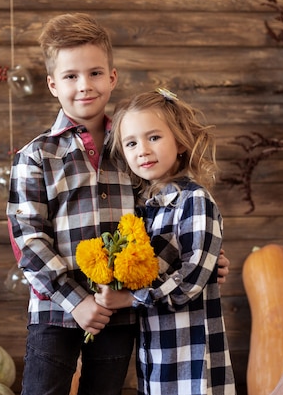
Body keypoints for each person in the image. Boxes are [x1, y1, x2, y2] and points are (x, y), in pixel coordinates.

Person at [7, 13, 231, 395]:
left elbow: (165, 216)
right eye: (71, 76)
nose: (84, 86)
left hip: (120, 312)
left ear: (112, 77)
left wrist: (202, 259)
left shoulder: (132, 149)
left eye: (95, 73)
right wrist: (75, 301)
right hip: (55, 311)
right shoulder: (36, 156)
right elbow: (27, 240)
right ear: (52, 85)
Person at [95, 88, 236, 395]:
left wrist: (130, 299)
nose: (142, 150)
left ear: (181, 142)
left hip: (191, 353)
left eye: (154, 137)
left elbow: (190, 280)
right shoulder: (140, 209)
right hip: (155, 356)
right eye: (131, 143)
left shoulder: (194, 201)